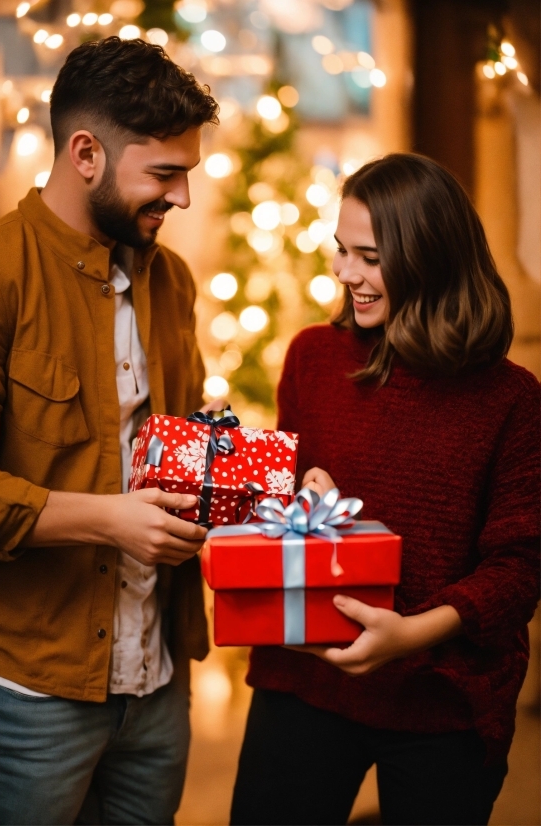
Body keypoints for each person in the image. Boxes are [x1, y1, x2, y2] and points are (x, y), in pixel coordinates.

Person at [0, 36, 220, 825]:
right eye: (165, 175)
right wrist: (112, 520)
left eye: (187, 174)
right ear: (86, 152)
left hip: (157, 674)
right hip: (22, 686)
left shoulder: (172, 280)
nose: (183, 198)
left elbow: (187, 432)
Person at [230, 153, 540, 826]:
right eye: (341, 251)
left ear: (431, 257)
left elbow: (519, 568)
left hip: (444, 699)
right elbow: (283, 511)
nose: (344, 274)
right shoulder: (311, 357)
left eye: (368, 257)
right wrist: (297, 498)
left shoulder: (512, 399)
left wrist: (410, 636)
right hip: (305, 679)